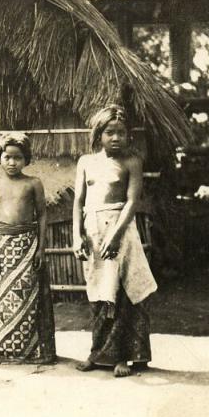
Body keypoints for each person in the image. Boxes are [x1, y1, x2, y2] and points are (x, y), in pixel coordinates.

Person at [72, 105, 157, 377]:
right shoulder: (86, 162)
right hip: (93, 231)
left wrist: (116, 235)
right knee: (98, 291)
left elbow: (132, 201)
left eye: (121, 132)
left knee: (121, 292)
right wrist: (77, 235)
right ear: (99, 134)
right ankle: (98, 353)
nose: (116, 138)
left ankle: (124, 356)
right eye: (110, 132)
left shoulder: (132, 162)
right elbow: (78, 202)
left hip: (120, 229)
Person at [0, 132, 56, 364]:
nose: (12, 163)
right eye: (7, 157)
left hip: (27, 244)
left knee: (28, 296)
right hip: (3, 246)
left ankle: (32, 350)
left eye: (18, 158)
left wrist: (41, 249)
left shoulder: (33, 183)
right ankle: (5, 348)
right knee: (4, 298)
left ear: (26, 159)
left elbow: (42, 216)